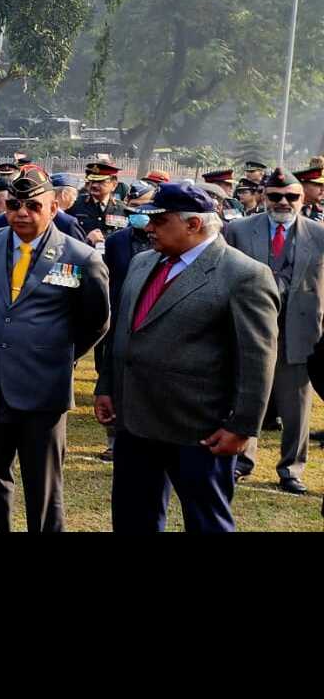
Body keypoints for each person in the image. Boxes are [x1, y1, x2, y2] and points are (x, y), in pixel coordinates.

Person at [95, 183, 279, 532]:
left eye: (160, 221)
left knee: (207, 521)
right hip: (135, 422)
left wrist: (242, 426)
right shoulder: (142, 262)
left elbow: (257, 359)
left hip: (200, 429)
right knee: (133, 518)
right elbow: (124, 331)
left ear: (193, 224)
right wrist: (106, 385)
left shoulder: (244, 275)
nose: (148, 228)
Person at [0, 166, 110, 532]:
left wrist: (57, 353)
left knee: (43, 489)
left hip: (42, 388)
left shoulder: (82, 257)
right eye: (13, 205)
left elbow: (96, 321)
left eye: (32, 205)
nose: (22, 213)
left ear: (54, 207)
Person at [222, 168, 322, 493]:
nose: (283, 202)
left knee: (297, 406)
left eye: (291, 196)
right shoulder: (237, 230)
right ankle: (241, 460)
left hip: (301, 332)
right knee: (247, 395)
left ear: (302, 198)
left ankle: (291, 469)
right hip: (250, 329)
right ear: (264, 196)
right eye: (275, 196)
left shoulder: (320, 235)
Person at [95, 180, 160, 461]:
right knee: (112, 376)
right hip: (119, 317)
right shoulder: (116, 241)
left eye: (143, 208)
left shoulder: (160, 240)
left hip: (152, 321)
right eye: (132, 208)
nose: (138, 213)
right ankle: (114, 440)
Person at [71, 161, 129, 246]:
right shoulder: (75, 205)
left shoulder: (122, 209)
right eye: (92, 181)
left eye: (100, 181)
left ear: (114, 184)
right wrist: (87, 239)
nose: (94, 185)